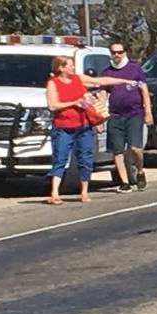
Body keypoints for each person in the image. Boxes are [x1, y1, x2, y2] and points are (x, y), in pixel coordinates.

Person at [45, 54, 102, 204]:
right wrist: (73, 103)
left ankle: (84, 191)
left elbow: (97, 83)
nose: (73, 67)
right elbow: (52, 105)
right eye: (70, 65)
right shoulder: (53, 83)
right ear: (61, 68)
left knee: (85, 157)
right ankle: (55, 193)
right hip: (63, 127)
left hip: (83, 126)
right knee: (60, 158)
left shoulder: (78, 80)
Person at [101, 41, 153, 192]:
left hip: (134, 114)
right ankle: (124, 182)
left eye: (119, 52)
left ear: (125, 53)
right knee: (117, 151)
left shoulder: (134, 69)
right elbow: (103, 94)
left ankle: (140, 171)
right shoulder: (107, 72)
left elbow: (144, 90)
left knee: (135, 148)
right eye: (114, 52)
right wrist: (100, 116)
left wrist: (147, 111)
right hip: (115, 116)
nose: (117, 55)